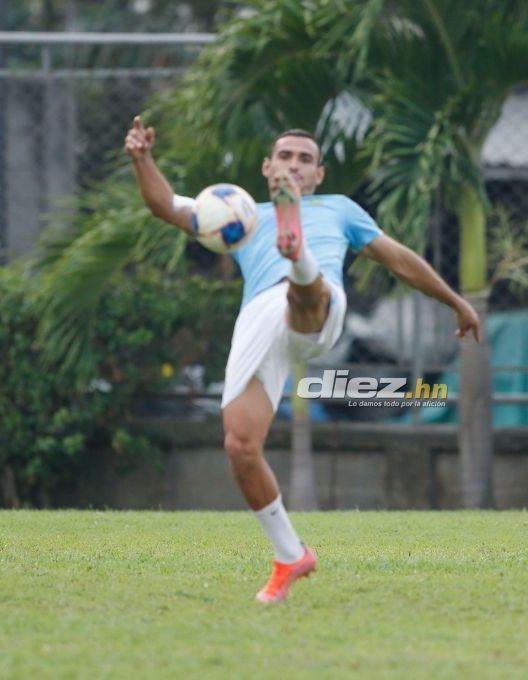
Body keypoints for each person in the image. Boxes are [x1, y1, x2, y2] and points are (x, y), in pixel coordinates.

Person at [125, 116, 482, 602]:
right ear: (267, 166)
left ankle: (298, 257)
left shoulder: (340, 210)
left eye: (305, 160)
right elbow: (164, 205)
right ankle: (291, 555)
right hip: (259, 319)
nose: (294, 164)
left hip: (320, 305)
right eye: (286, 157)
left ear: (319, 175)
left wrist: (456, 301)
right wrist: (143, 159)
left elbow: (400, 259)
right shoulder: (237, 212)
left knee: (303, 293)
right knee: (240, 447)